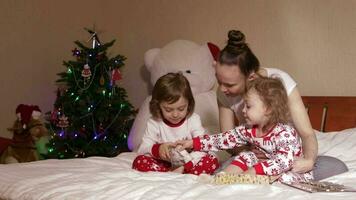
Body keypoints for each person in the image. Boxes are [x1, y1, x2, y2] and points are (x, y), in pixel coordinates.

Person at [213, 30, 347, 179]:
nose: (222, 89)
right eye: (219, 81)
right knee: (220, 174)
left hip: (287, 156)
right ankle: (260, 178)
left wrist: (308, 161)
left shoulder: (280, 81)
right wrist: (252, 152)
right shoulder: (223, 93)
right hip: (254, 156)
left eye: (230, 84)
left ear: (250, 76)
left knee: (336, 166)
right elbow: (228, 140)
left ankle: (274, 178)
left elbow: (307, 133)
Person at [178, 77, 313, 183]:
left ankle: (245, 180)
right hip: (261, 164)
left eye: (248, 106)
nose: (243, 111)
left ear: (268, 109)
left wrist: (254, 171)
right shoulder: (248, 130)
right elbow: (223, 139)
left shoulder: (285, 133)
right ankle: (221, 178)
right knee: (247, 155)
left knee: (285, 177)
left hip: (284, 168)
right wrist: (193, 143)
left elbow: (283, 162)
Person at [132, 72, 219, 175]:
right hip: (165, 164)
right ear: (158, 105)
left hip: (190, 163)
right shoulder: (154, 122)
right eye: (168, 110)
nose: (175, 114)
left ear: (189, 104)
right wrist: (158, 149)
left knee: (212, 160)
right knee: (139, 161)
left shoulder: (193, 119)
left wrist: (186, 165)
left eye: (181, 109)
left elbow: (203, 147)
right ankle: (171, 173)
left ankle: (181, 172)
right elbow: (142, 149)